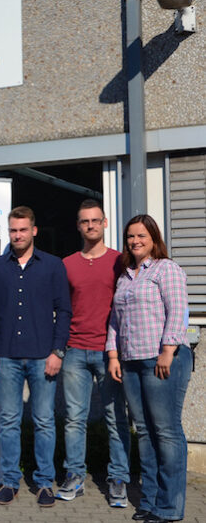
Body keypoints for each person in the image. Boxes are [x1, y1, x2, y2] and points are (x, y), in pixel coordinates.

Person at [0, 206, 71, 508]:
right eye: (13, 230)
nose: (17, 235)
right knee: (8, 422)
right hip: (6, 356)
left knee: (44, 421)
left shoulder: (53, 265)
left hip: (44, 356)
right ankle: (9, 481)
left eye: (22, 229)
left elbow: (65, 312)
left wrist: (58, 351)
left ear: (34, 231)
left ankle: (44, 483)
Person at [106, 215, 191, 523]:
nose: (135, 241)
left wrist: (168, 350)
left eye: (141, 235)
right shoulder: (126, 276)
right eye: (130, 236)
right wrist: (113, 355)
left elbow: (178, 310)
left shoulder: (166, 269)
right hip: (130, 362)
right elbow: (115, 320)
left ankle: (170, 507)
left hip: (160, 361)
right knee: (144, 433)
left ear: (154, 238)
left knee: (166, 433)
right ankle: (150, 501)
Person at [57, 199, 131, 507]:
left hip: (110, 351)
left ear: (105, 223)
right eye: (85, 221)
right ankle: (74, 476)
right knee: (74, 419)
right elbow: (60, 308)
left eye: (95, 220)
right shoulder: (67, 264)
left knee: (117, 419)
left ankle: (119, 480)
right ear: (78, 226)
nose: (90, 225)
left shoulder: (120, 261)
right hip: (75, 350)